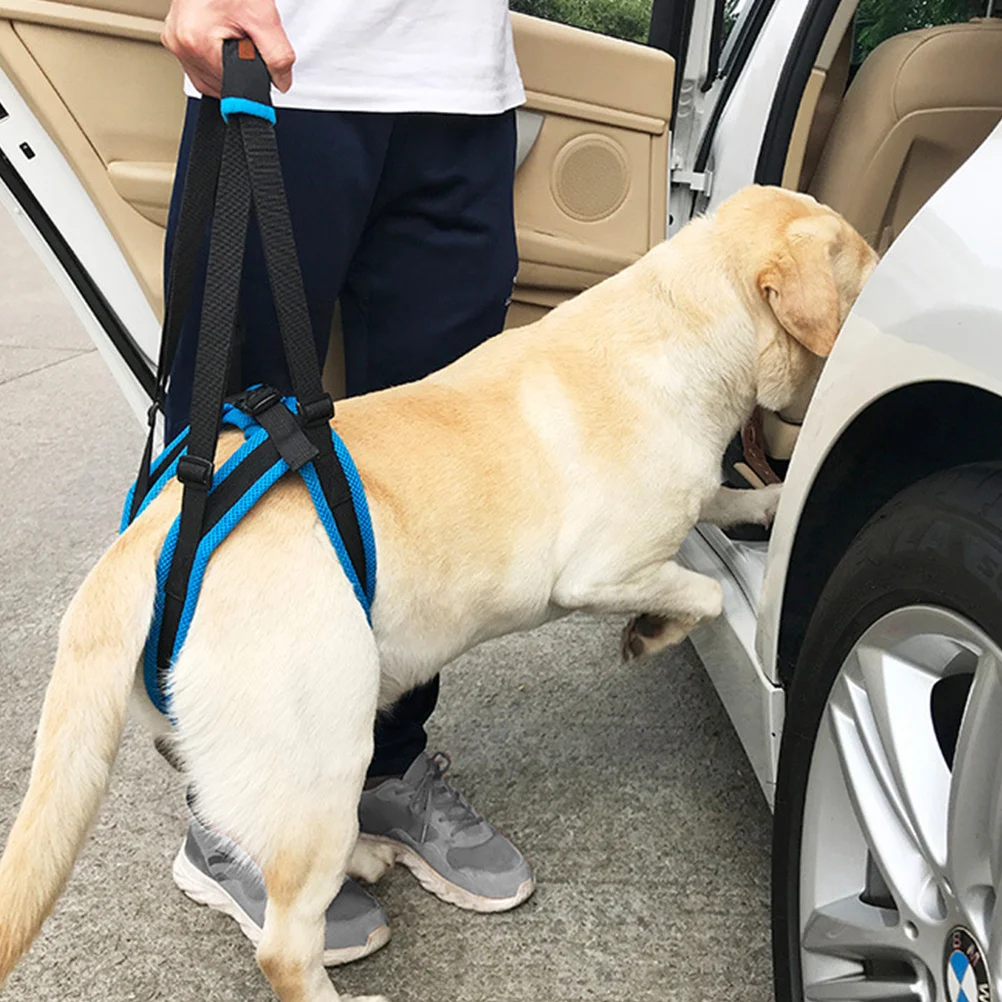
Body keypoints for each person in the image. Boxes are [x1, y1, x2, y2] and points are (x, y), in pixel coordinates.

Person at [161, 0, 533, 963]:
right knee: (244, 460)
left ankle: (387, 763)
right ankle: (234, 808)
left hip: (462, 91)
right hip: (287, 63)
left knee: (435, 476)